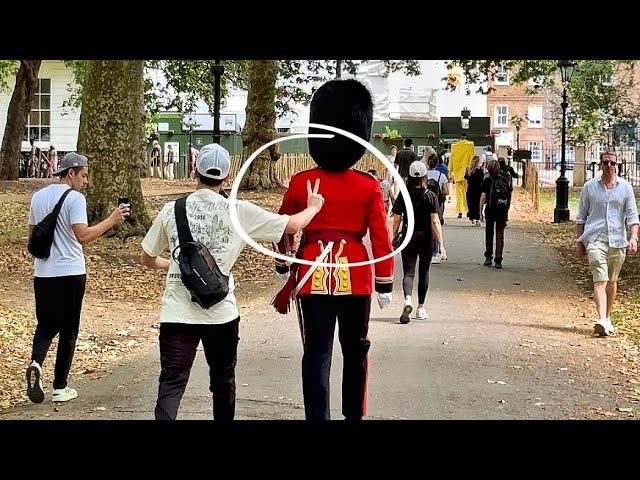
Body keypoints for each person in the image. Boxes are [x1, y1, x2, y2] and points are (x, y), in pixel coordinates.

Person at [140, 143, 324, 420]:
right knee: (223, 382)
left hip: (176, 313)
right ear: (227, 177)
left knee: (171, 384)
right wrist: (313, 207)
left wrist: (176, 266)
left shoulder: (170, 210)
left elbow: (147, 257)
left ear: (194, 172)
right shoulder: (238, 210)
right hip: (221, 312)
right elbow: (292, 226)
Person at [273, 79, 394, 421]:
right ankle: (353, 415)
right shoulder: (369, 186)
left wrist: (284, 262)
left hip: (312, 275)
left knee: (316, 352)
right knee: (356, 351)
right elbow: (381, 237)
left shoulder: (300, 182)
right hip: (355, 276)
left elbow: (283, 226)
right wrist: (385, 282)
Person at [25, 153, 130, 404]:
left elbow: (32, 235)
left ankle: (36, 363)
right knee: (69, 328)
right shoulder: (75, 199)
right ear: (70, 173)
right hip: (70, 272)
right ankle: (60, 387)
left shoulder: (38, 197)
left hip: (44, 272)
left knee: (46, 325)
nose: (86, 181)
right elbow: (83, 236)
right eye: (83, 175)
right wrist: (112, 219)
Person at [575, 151, 639, 337]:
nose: (609, 166)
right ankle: (601, 318)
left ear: (617, 165)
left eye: (612, 163)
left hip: (618, 241)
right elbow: (581, 217)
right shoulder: (590, 187)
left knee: (612, 281)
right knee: (600, 280)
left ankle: (608, 317)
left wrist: (633, 237)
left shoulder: (625, 188)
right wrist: (580, 240)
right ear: (600, 164)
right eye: (605, 162)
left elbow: (632, 216)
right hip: (595, 239)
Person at [392, 161, 447, 323]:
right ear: (424, 177)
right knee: (424, 272)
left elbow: (396, 219)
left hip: (408, 236)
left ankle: (407, 299)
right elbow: (435, 221)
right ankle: (420, 308)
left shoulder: (404, 194)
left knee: (408, 271)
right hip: (426, 238)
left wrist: (393, 236)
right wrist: (442, 245)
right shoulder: (430, 195)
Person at [480, 160, 512, 269]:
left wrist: (480, 211)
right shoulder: (505, 179)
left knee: (489, 232)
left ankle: (488, 257)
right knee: (500, 233)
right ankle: (498, 259)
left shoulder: (487, 180)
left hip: (490, 209)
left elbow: (483, 197)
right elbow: (509, 194)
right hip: (502, 209)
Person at [449, 133, 475, 219]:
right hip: (467, 173)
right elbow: (472, 158)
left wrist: (450, 171)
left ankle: (459, 212)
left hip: (457, 173)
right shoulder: (470, 145)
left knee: (459, 194)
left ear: (460, 138)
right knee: (468, 193)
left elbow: (451, 159)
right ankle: (468, 210)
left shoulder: (454, 146)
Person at [465, 155, 484, 226]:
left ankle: (472, 219)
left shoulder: (468, 169)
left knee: (471, 204)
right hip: (478, 189)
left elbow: (466, 177)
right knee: (477, 204)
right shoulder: (480, 170)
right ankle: (478, 218)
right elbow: (481, 179)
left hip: (470, 189)